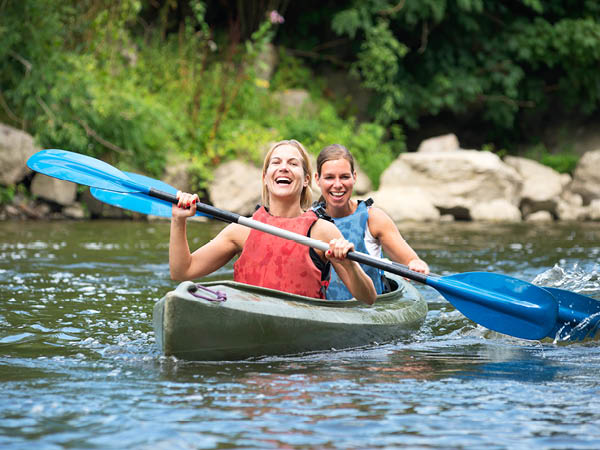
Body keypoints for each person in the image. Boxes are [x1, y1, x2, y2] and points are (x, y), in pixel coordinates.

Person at [169, 139, 377, 305]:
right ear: (265, 177)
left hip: (302, 346)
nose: (284, 168)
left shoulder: (322, 232)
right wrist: (179, 221)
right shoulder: (241, 230)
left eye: (293, 163)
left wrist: (349, 265)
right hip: (249, 324)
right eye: (276, 163)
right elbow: (182, 271)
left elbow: (368, 298)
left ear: (306, 180)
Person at [313, 144, 430, 300]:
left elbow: (411, 261)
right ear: (317, 179)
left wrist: (416, 264)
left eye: (344, 177)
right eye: (329, 177)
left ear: (354, 177)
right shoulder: (309, 220)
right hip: (324, 312)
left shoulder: (373, 218)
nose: (338, 184)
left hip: (369, 310)